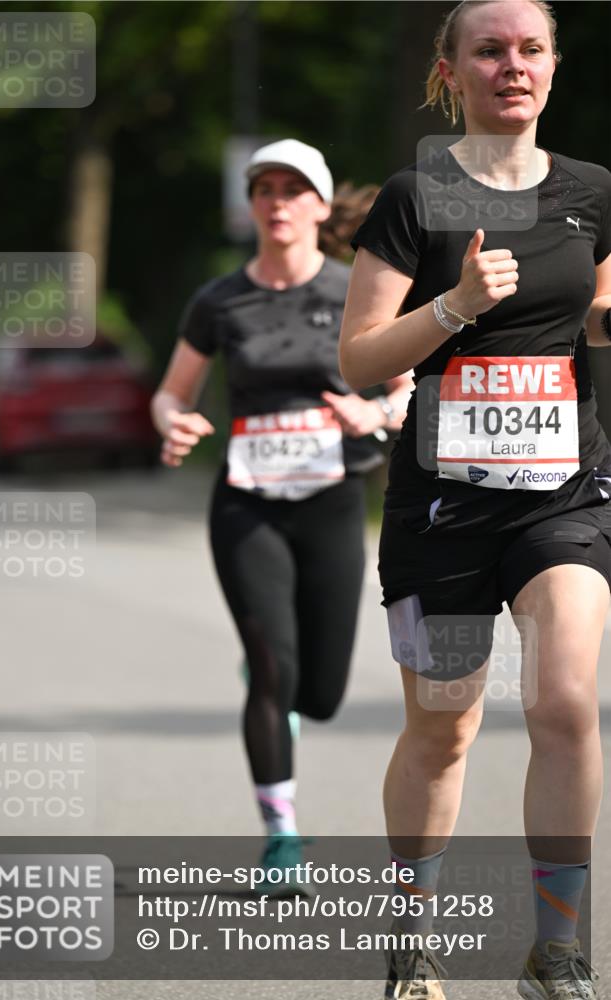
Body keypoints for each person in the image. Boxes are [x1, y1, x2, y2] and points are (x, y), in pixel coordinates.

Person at [341, 1, 611, 997]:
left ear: (552, 66)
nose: (513, 66)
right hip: (439, 505)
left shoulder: (592, 194)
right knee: (444, 727)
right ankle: (410, 940)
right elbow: (361, 355)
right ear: (450, 71)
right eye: (488, 50)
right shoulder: (417, 196)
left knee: (564, 700)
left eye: (530, 49)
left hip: (562, 492)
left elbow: (596, 313)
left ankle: (557, 949)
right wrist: (453, 307)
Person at [151, 139, 412, 892]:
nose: (277, 202)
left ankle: (282, 673)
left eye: (293, 190)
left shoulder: (354, 291)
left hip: (330, 498)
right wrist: (173, 420)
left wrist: (375, 413)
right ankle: (281, 838)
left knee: (319, 692)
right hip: (246, 503)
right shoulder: (219, 300)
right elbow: (173, 391)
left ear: (321, 207)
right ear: (252, 205)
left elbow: (407, 385)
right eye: (264, 189)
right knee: (272, 668)